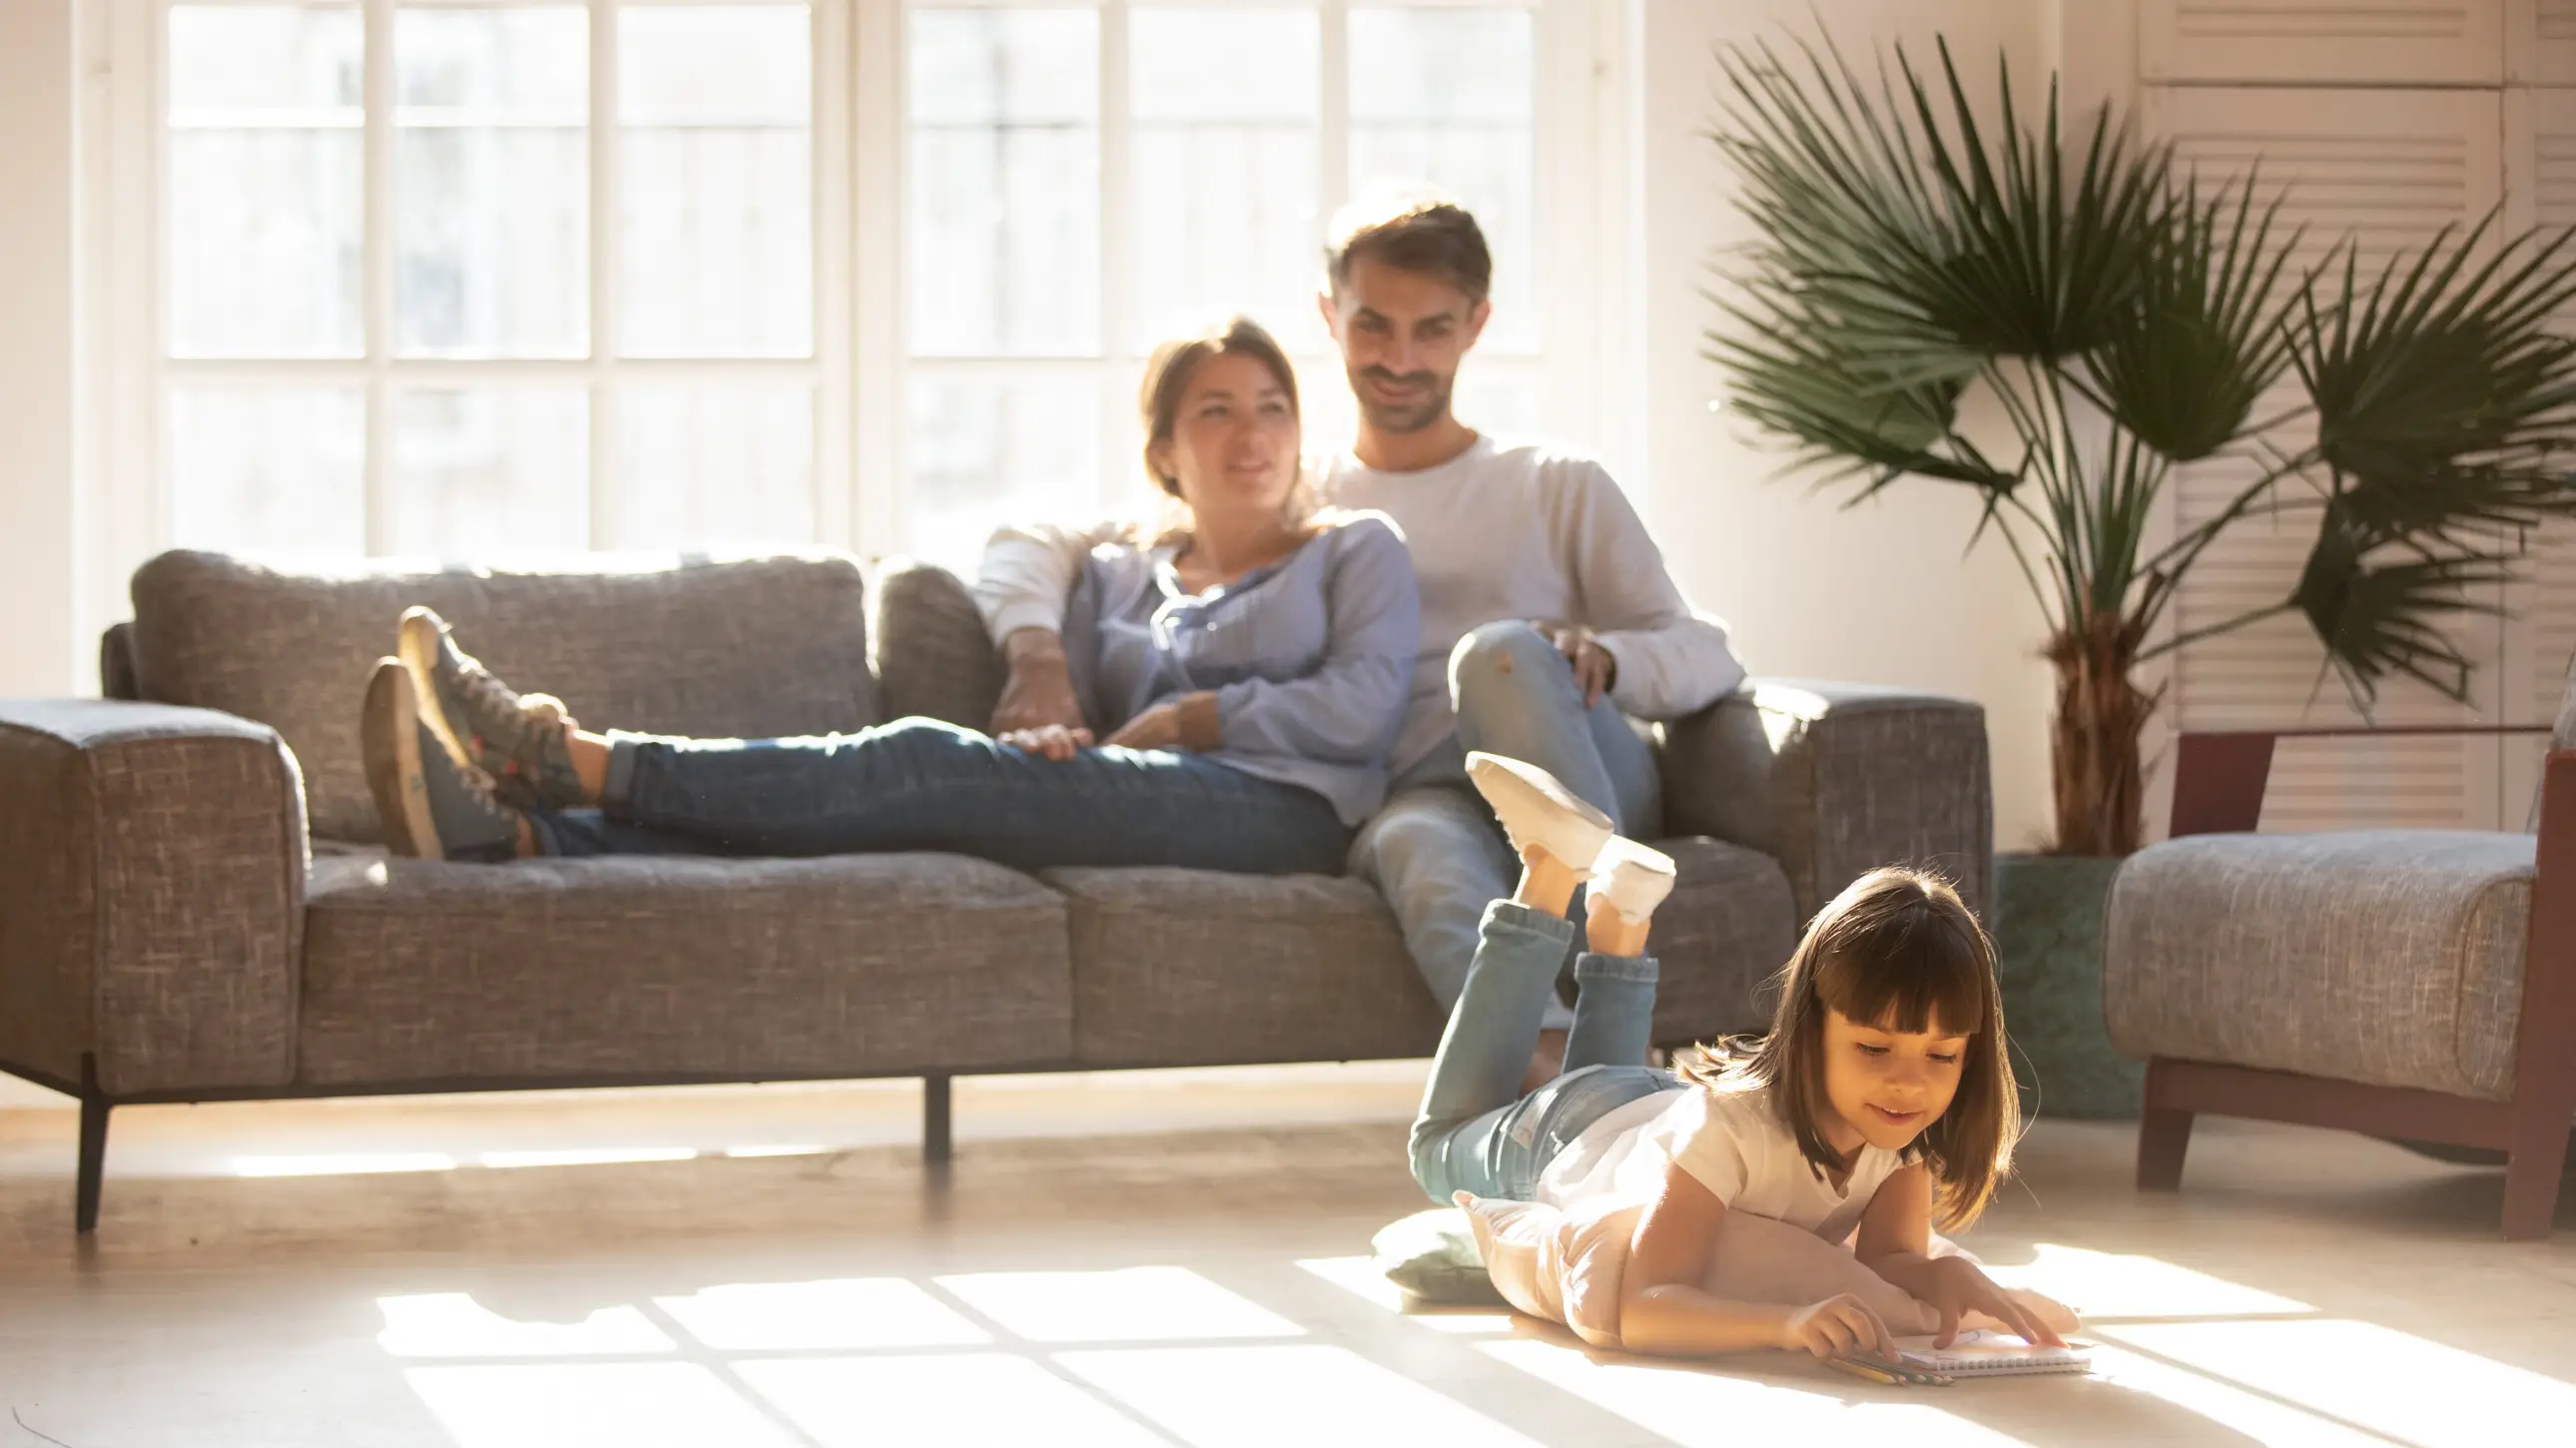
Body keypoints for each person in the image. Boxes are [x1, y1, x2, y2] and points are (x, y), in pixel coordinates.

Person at [975, 196, 1744, 1090]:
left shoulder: (1552, 485)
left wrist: (1605, 657)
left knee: (1497, 654)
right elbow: (1038, 538)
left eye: (1433, 329)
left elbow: (1706, 652)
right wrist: (1037, 656)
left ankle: (1598, 915)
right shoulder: (1293, 487)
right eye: (1373, 325)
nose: (1399, 358)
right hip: (1428, 791)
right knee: (1413, 844)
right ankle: (1568, 1091)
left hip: (1572, 763)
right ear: (1330, 317)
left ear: (1477, 327)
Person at [359, 318, 1419, 876]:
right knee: (890, 810)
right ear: (1163, 452)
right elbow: (1033, 582)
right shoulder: (1114, 575)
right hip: (1141, 793)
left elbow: (1364, 707)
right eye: (1219, 411)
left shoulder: (1354, 549)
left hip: (1284, 810)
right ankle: (529, 840)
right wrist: (1054, 709)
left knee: (922, 758)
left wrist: (1197, 716)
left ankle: (567, 763)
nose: (1254, 435)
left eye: (1275, 408)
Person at [1413, 750, 2073, 1360]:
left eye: (1943, 1056)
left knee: (1606, 1088)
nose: (1909, 1082)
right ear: (1810, 1027)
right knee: (1435, 1149)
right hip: (1564, 1133)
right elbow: (1645, 1309)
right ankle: (1550, 875)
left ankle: (1621, 921)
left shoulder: (1900, 1132)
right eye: (1874, 1047)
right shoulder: (1732, 1131)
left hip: (1644, 1107)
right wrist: (1784, 1324)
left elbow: (1887, 1258)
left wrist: (1938, 1270)